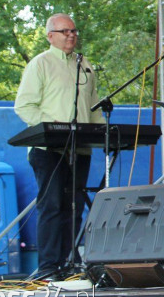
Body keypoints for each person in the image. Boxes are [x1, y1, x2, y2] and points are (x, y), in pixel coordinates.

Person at [14, 14, 104, 277]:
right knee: (52, 206)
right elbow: (24, 105)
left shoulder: (84, 64)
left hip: (80, 148)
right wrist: (49, 129)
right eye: (65, 31)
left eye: (74, 31)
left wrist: (101, 132)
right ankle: (48, 267)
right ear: (50, 36)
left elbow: (93, 106)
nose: (71, 35)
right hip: (49, 149)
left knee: (75, 204)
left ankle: (71, 262)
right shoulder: (40, 64)